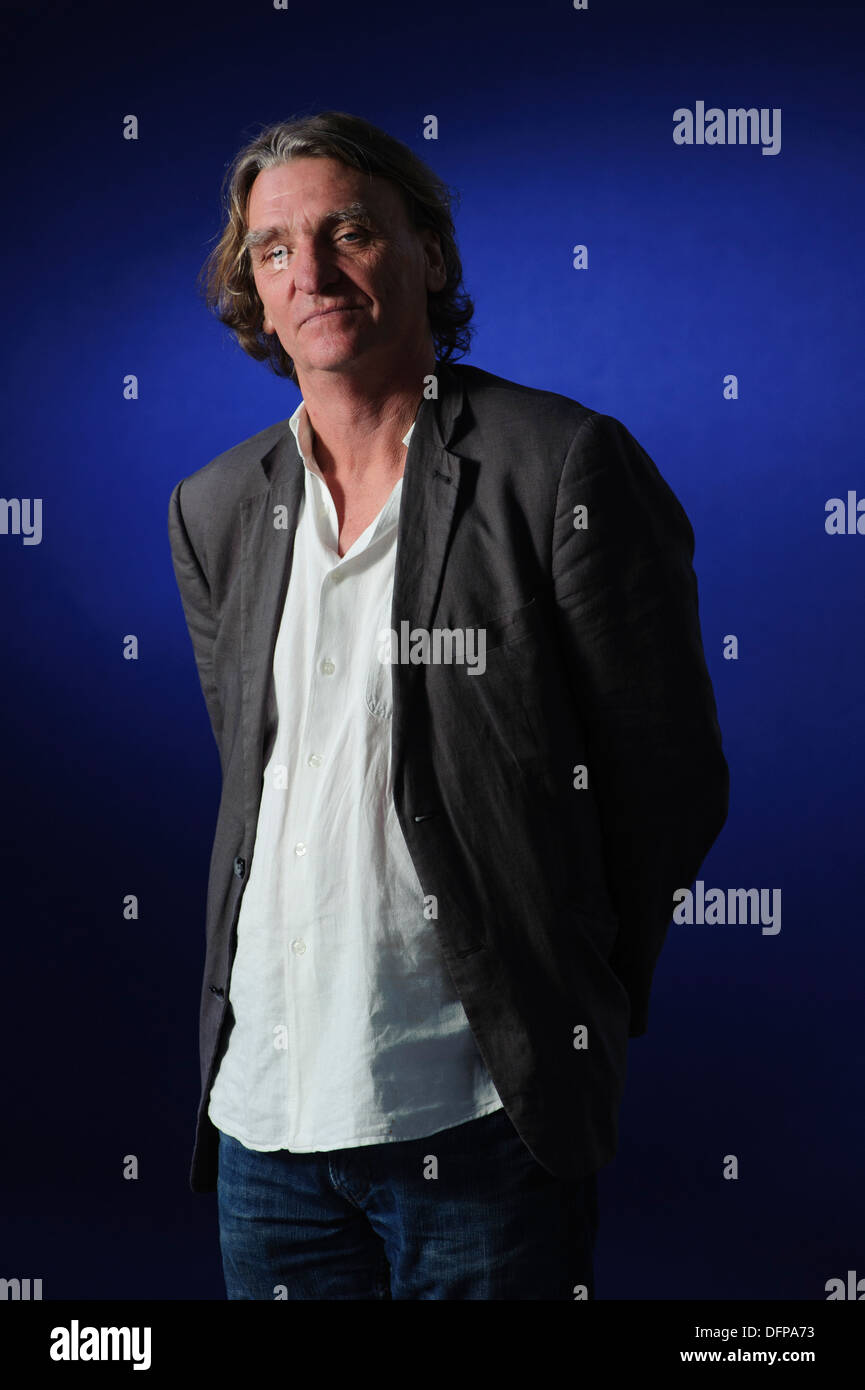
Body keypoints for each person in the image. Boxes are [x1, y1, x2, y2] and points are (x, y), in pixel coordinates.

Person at [167, 109, 729, 1301]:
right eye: (273, 250)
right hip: (265, 1121)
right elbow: (260, 783)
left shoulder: (562, 466)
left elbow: (665, 782)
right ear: (253, 292)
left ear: (428, 251)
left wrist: (557, 992)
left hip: (477, 1114)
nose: (309, 272)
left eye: (350, 232)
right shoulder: (213, 508)